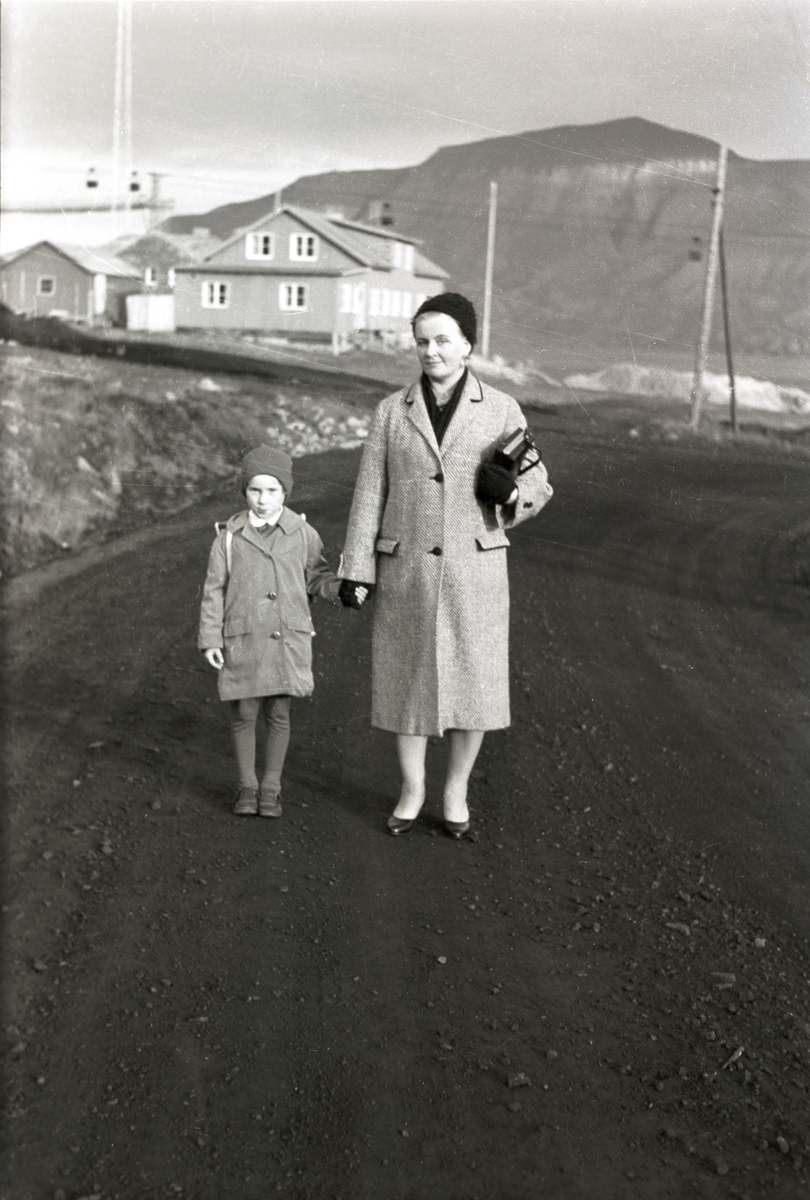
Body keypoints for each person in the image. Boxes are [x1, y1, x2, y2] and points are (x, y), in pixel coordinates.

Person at [339, 293, 553, 838]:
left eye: (441, 340)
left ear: (467, 345)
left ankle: (455, 790)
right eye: (421, 341)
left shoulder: (502, 408)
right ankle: (412, 790)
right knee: (405, 679)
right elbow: (369, 495)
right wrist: (356, 571)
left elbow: (539, 483)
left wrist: (512, 494)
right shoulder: (392, 411)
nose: (430, 351)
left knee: (473, 686)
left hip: (474, 569)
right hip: (406, 568)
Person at [198, 444, 366, 817]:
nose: (262, 499)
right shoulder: (227, 537)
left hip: (285, 639)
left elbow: (317, 576)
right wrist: (210, 636)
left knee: (278, 713)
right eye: (254, 490)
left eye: (272, 490)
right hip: (242, 639)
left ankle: (271, 788)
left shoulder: (303, 533)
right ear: (244, 490)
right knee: (243, 713)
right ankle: (246, 787)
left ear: (285, 492)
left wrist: (340, 589)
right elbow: (214, 590)